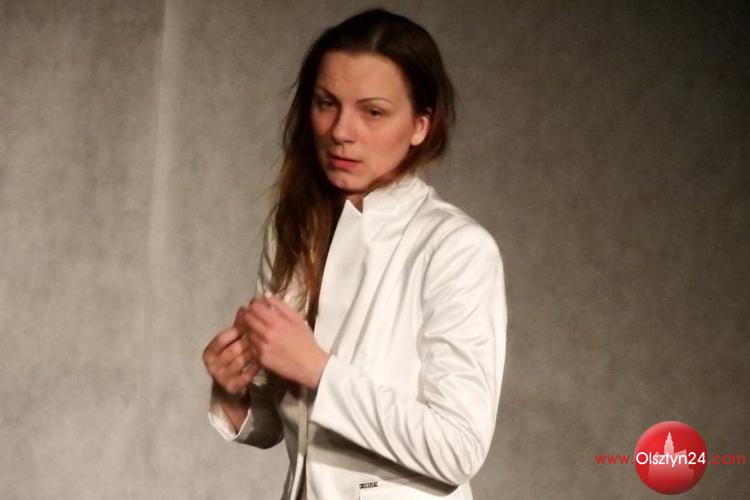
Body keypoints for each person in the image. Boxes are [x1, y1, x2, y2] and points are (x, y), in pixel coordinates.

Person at [202, 8, 507, 500]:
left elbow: (458, 447)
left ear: (420, 125)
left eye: (373, 112)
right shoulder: (294, 231)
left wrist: (320, 370)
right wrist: (233, 390)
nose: (341, 130)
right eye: (327, 103)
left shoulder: (455, 248)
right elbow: (290, 429)